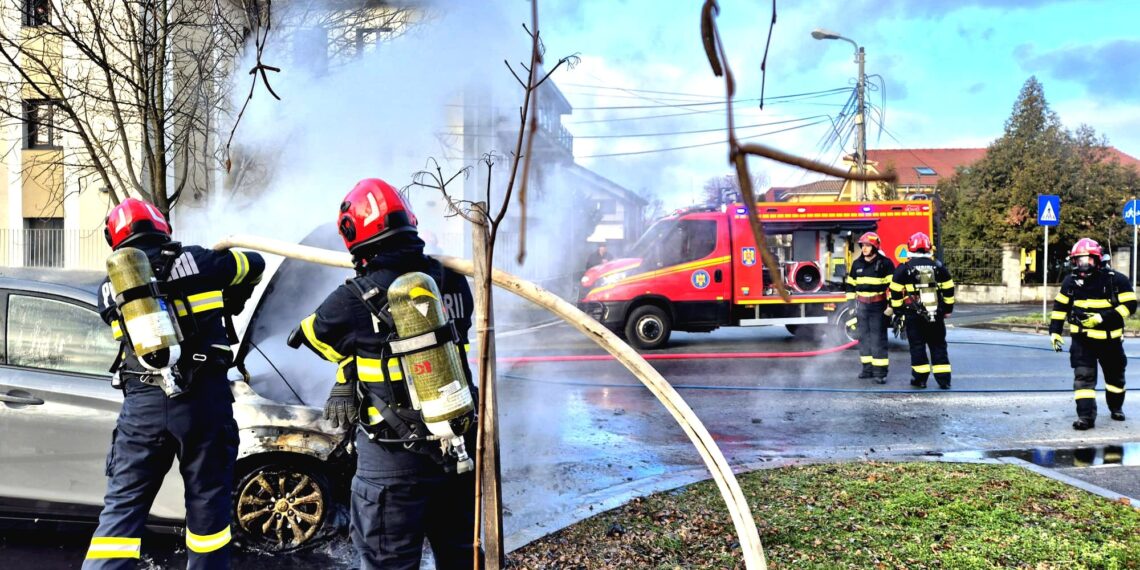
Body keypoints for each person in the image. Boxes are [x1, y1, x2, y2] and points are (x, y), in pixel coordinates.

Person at [291, 178, 481, 569]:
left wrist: (347, 372)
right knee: (461, 557)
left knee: (387, 563)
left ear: (353, 236)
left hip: (393, 462)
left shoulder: (353, 297)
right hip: (458, 448)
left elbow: (310, 336)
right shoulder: (453, 279)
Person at [84, 198, 265, 569]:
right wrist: (230, 297)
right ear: (160, 225)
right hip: (202, 403)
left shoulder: (109, 287)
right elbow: (255, 264)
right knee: (207, 507)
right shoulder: (202, 261)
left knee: (122, 510)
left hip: (143, 406)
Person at [1049, 237, 1135, 430]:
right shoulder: (1070, 282)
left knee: (1115, 380)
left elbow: (1130, 305)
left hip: (1110, 341)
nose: (1083, 264)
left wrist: (1102, 318)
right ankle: (1085, 418)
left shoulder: (1115, 279)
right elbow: (1060, 307)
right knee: (1083, 379)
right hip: (1082, 341)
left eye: (1088, 260)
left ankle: (1116, 407)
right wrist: (1054, 332)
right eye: (1079, 260)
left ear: (1098, 260)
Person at [888, 232, 956, 389]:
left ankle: (920, 380)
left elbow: (895, 291)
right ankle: (944, 381)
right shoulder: (938, 266)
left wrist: (898, 311)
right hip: (936, 313)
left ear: (910, 248)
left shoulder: (904, 268)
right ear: (928, 248)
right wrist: (947, 309)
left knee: (917, 346)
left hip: (914, 314)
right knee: (938, 345)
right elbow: (948, 289)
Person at [845, 231, 895, 383]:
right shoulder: (857, 264)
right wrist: (851, 306)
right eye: (863, 245)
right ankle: (867, 369)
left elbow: (894, 287)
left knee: (878, 339)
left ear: (875, 246)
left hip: (878, 307)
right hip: (861, 306)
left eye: (868, 245)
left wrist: (891, 307)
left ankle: (880, 373)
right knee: (863, 338)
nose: (864, 248)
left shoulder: (885, 263)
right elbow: (850, 286)